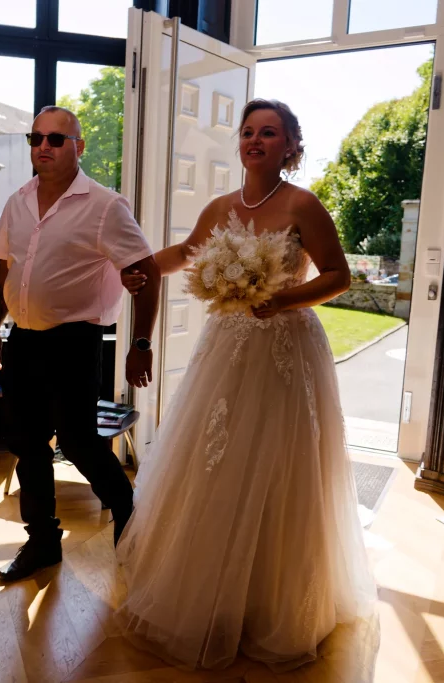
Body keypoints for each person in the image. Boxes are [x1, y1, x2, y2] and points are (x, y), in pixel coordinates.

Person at [115, 99, 376, 672]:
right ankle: (210, 588)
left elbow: (338, 275)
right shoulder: (220, 207)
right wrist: (139, 266)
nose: (255, 140)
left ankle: (270, 600)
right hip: (228, 348)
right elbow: (186, 253)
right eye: (249, 132)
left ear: (289, 146)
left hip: (285, 349)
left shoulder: (303, 204)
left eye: (269, 133)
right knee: (215, 460)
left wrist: (283, 297)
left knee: (280, 464)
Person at [0, 105, 161, 584]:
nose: (43, 146)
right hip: (24, 340)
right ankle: (42, 540)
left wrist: (140, 343)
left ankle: (130, 518)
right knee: (28, 443)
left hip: (74, 342)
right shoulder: (18, 201)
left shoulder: (105, 205)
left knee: (80, 442)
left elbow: (148, 269)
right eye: (35, 137)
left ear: (78, 147)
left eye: (56, 139)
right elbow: (6, 268)